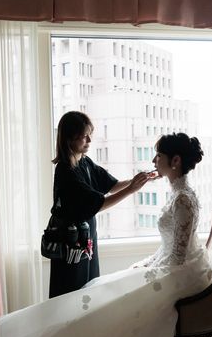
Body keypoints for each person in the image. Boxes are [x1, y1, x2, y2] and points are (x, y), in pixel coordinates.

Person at [0, 132, 210, 337]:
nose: (153, 160)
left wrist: (147, 271)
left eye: (158, 155)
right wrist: (146, 265)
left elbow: (176, 257)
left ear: (175, 161)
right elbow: (169, 247)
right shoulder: (178, 195)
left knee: (114, 300)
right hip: (78, 244)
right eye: (84, 135)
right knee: (104, 292)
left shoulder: (182, 199)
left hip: (179, 273)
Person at [49, 111, 154, 298]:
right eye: (84, 136)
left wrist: (138, 180)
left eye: (90, 134)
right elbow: (100, 204)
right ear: (70, 138)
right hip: (70, 242)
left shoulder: (84, 162)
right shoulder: (66, 171)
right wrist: (131, 189)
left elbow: (112, 186)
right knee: (71, 293)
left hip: (86, 237)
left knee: (88, 288)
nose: (89, 140)